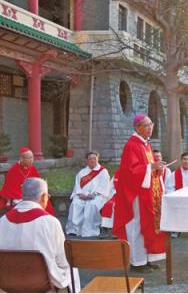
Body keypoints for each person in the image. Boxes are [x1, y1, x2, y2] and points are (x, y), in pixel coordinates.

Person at [0, 178, 77, 290]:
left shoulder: (2, 221)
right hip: (42, 284)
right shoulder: (50, 222)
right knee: (72, 268)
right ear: (43, 197)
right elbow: (63, 260)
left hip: (7, 282)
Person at [113, 114, 167, 272]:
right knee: (136, 225)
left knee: (148, 224)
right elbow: (131, 172)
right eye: (146, 125)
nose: (150, 127)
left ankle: (147, 258)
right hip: (135, 194)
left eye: (151, 124)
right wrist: (151, 167)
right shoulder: (132, 145)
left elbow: (149, 167)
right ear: (137, 128)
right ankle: (137, 262)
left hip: (147, 193)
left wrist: (157, 167)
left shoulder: (145, 144)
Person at [66, 151, 111, 237]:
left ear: (98, 159)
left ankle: (90, 230)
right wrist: (80, 194)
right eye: (90, 159)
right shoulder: (82, 172)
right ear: (87, 160)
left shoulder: (103, 172)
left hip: (98, 195)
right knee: (75, 203)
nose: (93, 160)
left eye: (94, 158)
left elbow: (104, 187)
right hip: (82, 195)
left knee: (92, 205)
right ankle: (74, 229)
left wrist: (93, 195)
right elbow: (77, 186)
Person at [0, 147, 55, 215]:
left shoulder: (33, 169)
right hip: (18, 196)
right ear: (22, 158)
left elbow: (37, 183)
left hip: (33, 194)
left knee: (46, 203)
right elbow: (9, 189)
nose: (31, 160)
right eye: (29, 158)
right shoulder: (13, 170)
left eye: (32, 157)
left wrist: (42, 184)